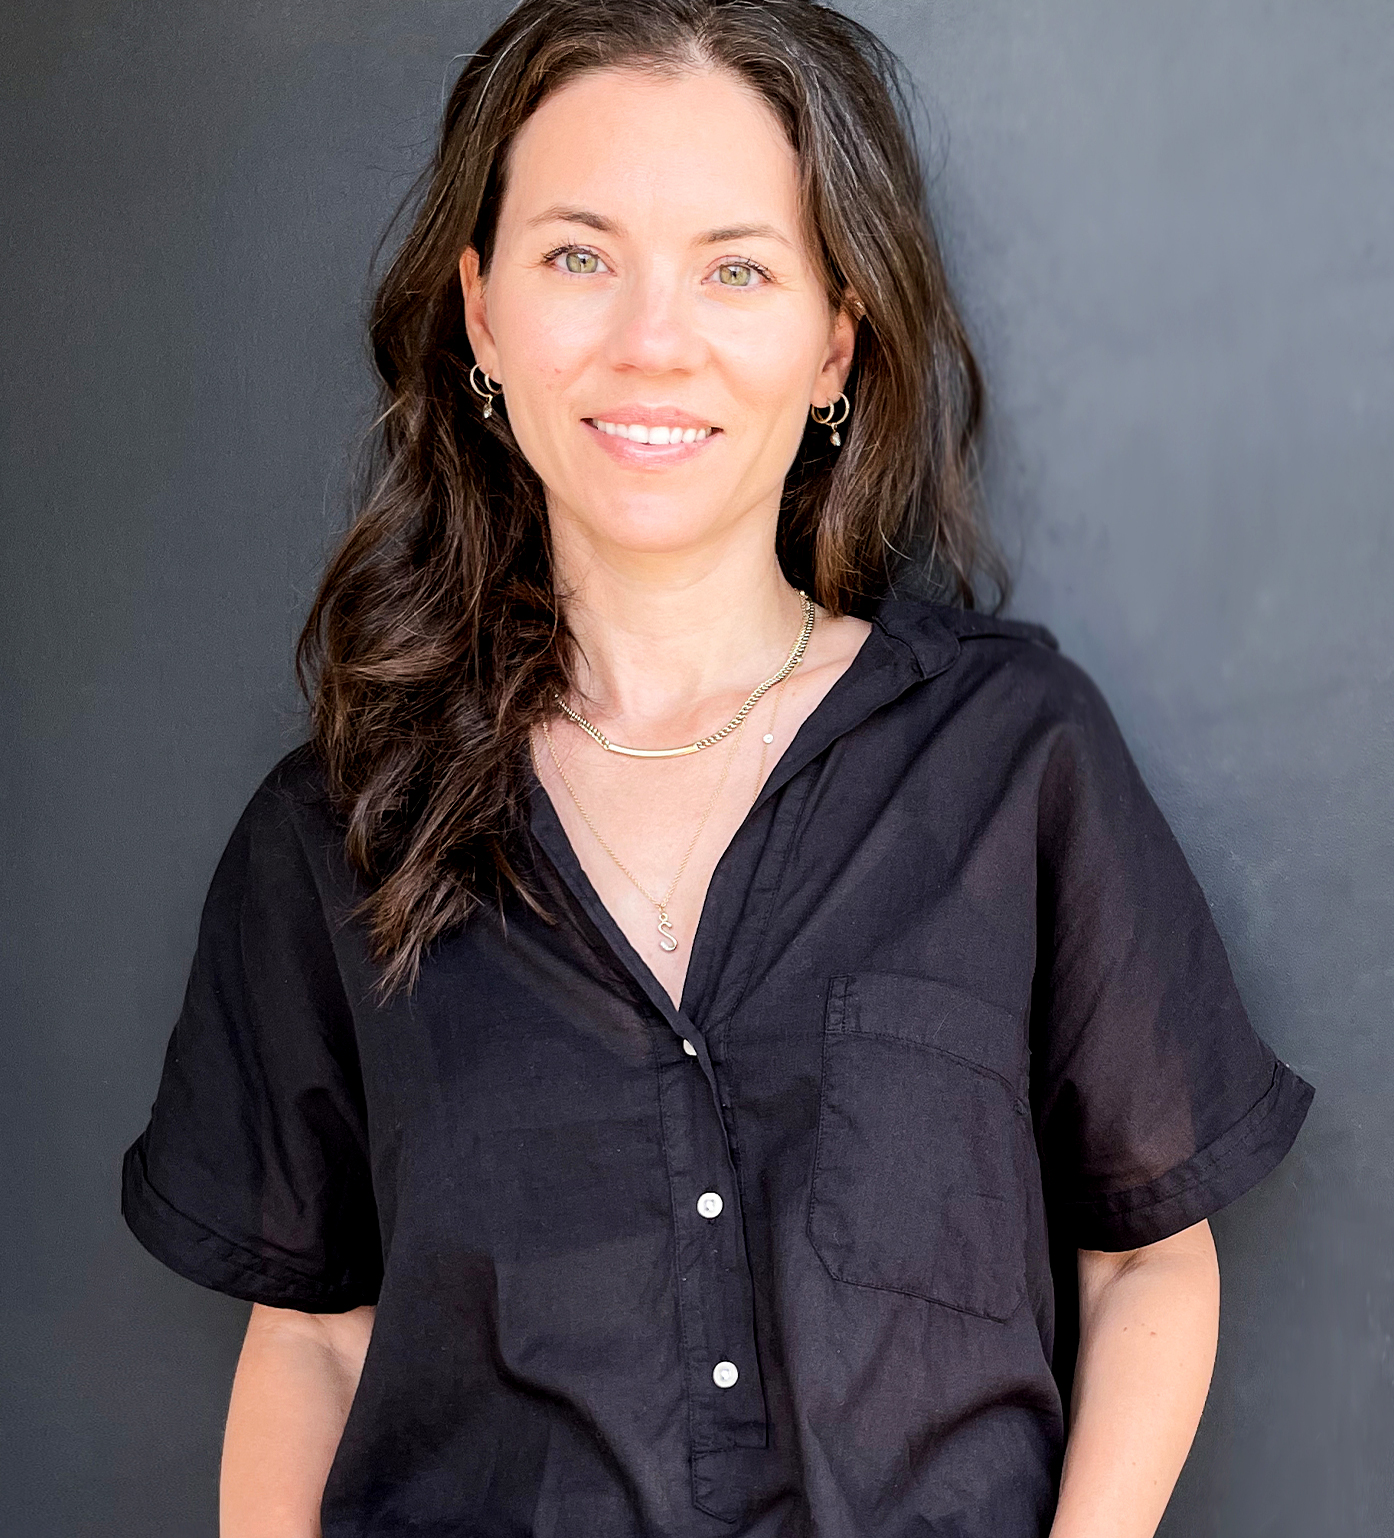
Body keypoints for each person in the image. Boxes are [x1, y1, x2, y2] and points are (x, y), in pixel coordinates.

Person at [120, 1, 1315, 1533]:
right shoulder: (343, 824)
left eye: (735, 267)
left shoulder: (1013, 761)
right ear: (481, 314)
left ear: (834, 338)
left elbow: (1150, 1255)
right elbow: (311, 1336)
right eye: (577, 256)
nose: (650, 342)